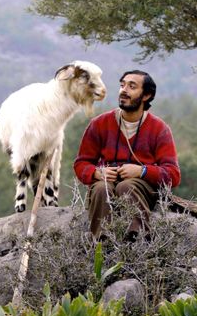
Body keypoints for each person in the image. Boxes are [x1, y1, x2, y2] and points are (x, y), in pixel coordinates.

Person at [74, 70, 181, 241]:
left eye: (132, 86)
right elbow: (81, 163)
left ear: (146, 95)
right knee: (102, 188)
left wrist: (142, 171)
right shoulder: (99, 124)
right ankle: (101, 245)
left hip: (142, 189)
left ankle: (136, 243)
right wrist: (96, 173)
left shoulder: (159, 129)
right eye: (122, 85)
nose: (124, 90)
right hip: (105, 185)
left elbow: (173, 175)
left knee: (127, 186)